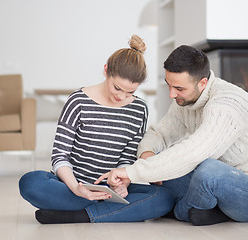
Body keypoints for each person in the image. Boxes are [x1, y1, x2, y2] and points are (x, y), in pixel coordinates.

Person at [96, 45, 248, 226]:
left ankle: (179, 211)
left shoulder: (226, 104)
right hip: (212, 179)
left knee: (207, 171)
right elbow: (159, 133)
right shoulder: (186, 100)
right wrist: (148, 156)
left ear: (202, 83)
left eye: (179, 89)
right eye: (169, 85)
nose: (171, 94)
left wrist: (133, 171)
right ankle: (201, 209)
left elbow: (195, 151)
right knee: (164, 169)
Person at [19, 35, 174, 224]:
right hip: (72, 186)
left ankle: (80, 215)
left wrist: (123, 181)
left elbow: (127, 156)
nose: (122, 96)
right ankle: (111, 212)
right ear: (106, 70)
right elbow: (60, 155)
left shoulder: (139, 108)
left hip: (110, 191)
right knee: (30, 183)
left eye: (130, 92)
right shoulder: (78, 101)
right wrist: (77, 188)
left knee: (164, 197)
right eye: (117, 88)